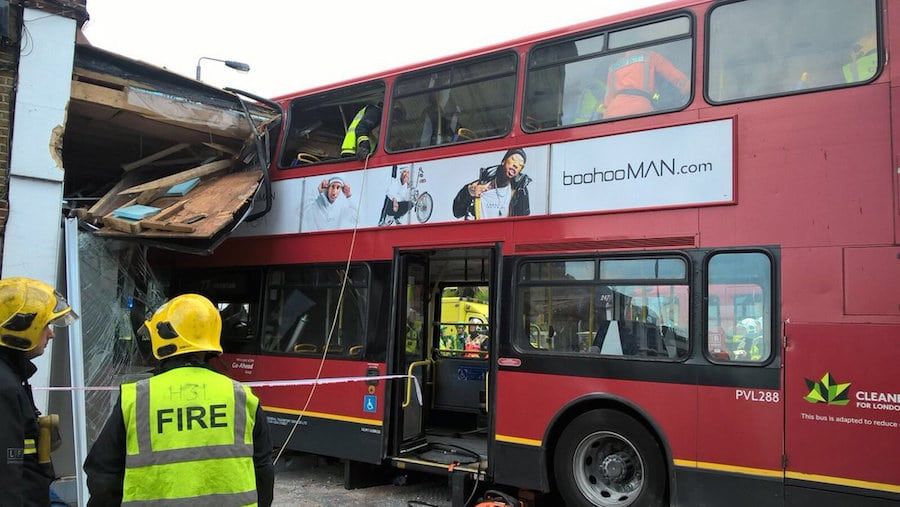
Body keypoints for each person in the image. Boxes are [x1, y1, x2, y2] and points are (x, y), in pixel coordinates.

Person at [84, 294, 274, 506]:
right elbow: (263, 471)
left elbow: (104, 476)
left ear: (164, 337)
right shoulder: (241, 396)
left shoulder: (136, 399)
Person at [0, 278, 77, 507]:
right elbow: (6, 472)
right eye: (45, 326)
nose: (51, 334)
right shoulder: (4, 388)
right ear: (21, 328)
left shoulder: (10, 377)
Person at [602, 49, 690, 119]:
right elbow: (676, 77)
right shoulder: (650, 56)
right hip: (640, 108)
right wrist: (689, 91)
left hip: (612, 113)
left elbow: (607, 100)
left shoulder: (614, 66)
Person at [452, 148, 531, 220]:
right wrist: (468, 192)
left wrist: (522, 193)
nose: (516, 165)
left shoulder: (519, 191)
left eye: (520, 165)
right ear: (503, 161)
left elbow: (524, 221)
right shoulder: (480, 185)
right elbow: (457, 212)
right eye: (513, 159)